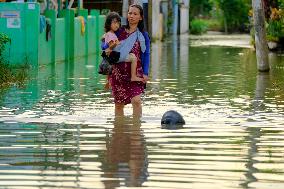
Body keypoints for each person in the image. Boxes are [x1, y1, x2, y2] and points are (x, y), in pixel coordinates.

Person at [102, 4, 151, 117]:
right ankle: (119, 131)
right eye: (130, 13)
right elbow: (105, 42)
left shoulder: (143, 35)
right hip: (118, 73)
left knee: (136, 101)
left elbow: (146, 54)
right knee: (119, 104)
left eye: (135, 14)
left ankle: (136, 131)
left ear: (140, 17)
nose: (132, 16)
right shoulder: (119, 31)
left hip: (135, 73)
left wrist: (145, 73)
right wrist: (106, 48)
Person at [103, 11, 144, 82]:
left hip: (115, 55)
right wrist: (116, 43)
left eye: (118, 23)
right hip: (115, 56)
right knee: (134, 58)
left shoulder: (111, 33)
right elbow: (111, 47)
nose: (117, 25)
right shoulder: (110, 34)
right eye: (114, 23)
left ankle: (109, 80)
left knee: (132, 55)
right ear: (109, 23)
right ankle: (133, 76)